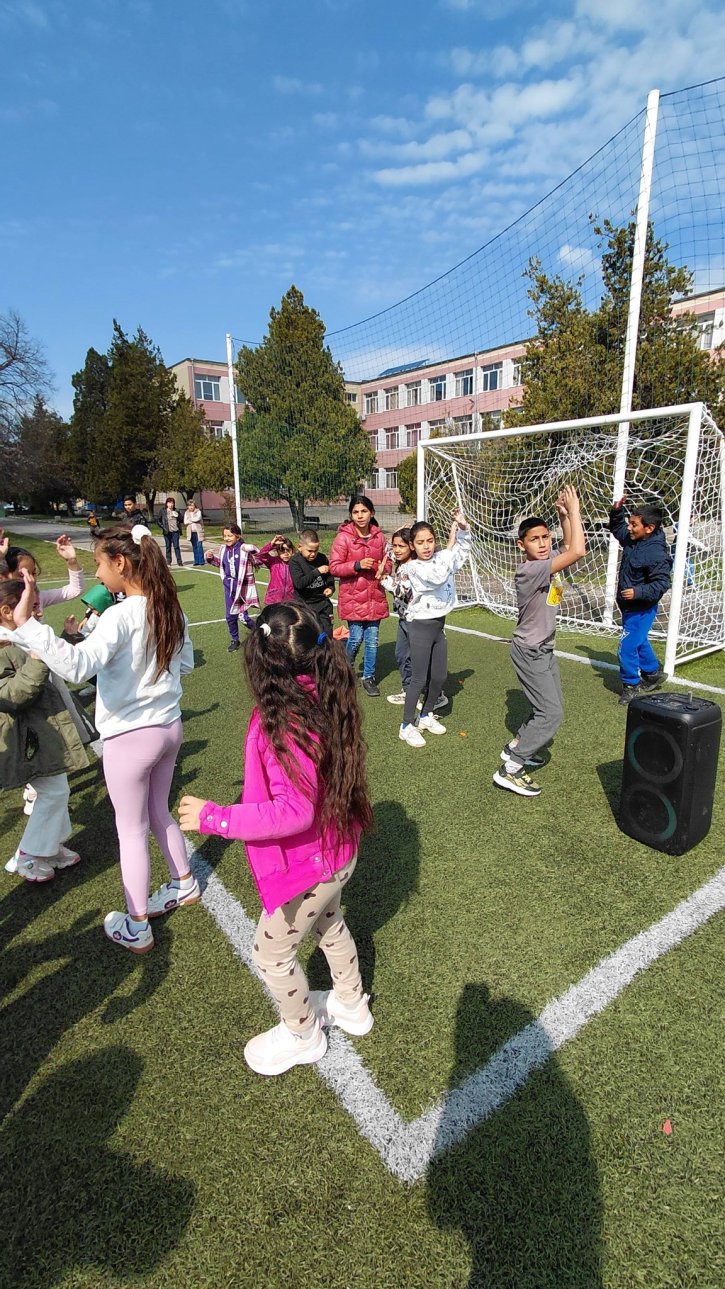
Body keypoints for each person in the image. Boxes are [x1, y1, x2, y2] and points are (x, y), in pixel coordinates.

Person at [178, 601, 374, 1076]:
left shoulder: (285, 722)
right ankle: (350, 1003)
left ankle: (302, 1032)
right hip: (337, 850)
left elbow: (294, 809)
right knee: (330, 924)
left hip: (312, 863)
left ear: (261, 662)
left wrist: (216, 818)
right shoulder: (325, 692)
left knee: (270, 953)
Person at [8, 524, 196, 953]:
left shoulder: (121, 614)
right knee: (159, 812)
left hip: (130, 738)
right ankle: (184, 883)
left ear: (120, 563)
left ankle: (137, 924)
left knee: (131, 830)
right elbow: (184, 666)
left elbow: (76, 668)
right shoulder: (170, 609)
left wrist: (28, 626)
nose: (96, 574)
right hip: (169, 726)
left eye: (97, 563)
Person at [493, 485, 585, 797]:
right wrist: (574, 510)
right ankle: (511, 768)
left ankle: (516, 745)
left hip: (544, 647)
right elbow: (578, 551)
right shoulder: (530, 570)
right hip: (529, 651)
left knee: (549, 706)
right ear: (522, 545)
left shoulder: (547, 559)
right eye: (535, 539)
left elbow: (570, 544)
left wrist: (562, 516)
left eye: (546, 537)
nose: (543, 543)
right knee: (551, 714)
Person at [0, 580, 88, 883]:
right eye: (32, 605)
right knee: (54, 790)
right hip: (27, 735)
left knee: (58, 786)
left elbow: (55, 665)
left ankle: (50, 847)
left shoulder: (19, 636)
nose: (39, 611)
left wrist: (67, 638)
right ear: (7, 611)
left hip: (44, 727)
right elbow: (11, 694)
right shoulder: (3, 645)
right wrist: (37, 661)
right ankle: (30, 853)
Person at [398, 510, 471, 748]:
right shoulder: (414, 568)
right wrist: (448, 553)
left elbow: (460, 555)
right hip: (420, 627)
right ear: (412, 546)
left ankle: (426, 714)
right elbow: (439, 576)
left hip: (439, 626)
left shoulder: (442, 557)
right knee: (418, 679)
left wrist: (463, 529)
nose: (426, 546)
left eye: (430, 541)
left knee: (439, 677)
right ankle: (407, 725)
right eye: (420, 542)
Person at [609, 496, 672, 704]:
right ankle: (653, 672)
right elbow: (617, 529)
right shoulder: (633, 539)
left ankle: (631, 684)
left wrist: (638, 592)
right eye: (629, 522)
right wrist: (617, 511)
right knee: (638, 639)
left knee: (626, 646)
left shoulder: (656, 553)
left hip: (642, 608)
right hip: (629, 606)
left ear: (649, 528)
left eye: (634, 524)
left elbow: (662, 583)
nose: (629, 528)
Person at [329, 496, 389, 696]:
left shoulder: (379, 537)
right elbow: (334, 567)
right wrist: (357, 565)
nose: (360, 516)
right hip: (353, 597)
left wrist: (383, 568)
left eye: (364, 511)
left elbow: (387, 563)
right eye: (356, 512)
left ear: (371, 512)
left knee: (372, 640)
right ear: (351, 515)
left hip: (375, 596)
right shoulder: (343, 537)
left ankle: (368, 677)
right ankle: (343, 670)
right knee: (355, 638)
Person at [205, 524, 259, 650]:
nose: (227, 538)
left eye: (230, 535)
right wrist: (211, 558)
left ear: (238, 536)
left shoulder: (244, 549)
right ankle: (235, 640)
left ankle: (260, 632)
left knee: (243, 618)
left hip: (241, 587)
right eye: (225, 536)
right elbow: (221, 564)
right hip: (229, 587)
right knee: (230, 616)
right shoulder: (223, 549)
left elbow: (258, 559)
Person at [0, 530, 85, 608]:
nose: (31, 579)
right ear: (3, 576)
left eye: (33, 573)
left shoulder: (37, 597)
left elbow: (75, 590)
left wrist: (71, 561)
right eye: (22, 575)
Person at [289, 529, 335, 637]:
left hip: (323, 603)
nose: (313, 554)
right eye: (310, 551)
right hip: (305, 606)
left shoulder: (322, 558)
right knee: (309, 637)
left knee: (327, 636)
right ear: (299, 547)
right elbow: (299, 583)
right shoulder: (295, 561)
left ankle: (326, 653)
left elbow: (329, 577)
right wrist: (317, 572)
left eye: (316, 550)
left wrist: (331, 588)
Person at [256, 535, 295, 606]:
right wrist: (272, 544)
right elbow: (261, 555)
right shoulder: (273, 562)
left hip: (290, 600)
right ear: (277, 551)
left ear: (292, 550)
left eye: (288, 550)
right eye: (282, 550)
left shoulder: (295, 563)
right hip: (273, 599)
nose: (286, 553)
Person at [156, 497, 183, 567]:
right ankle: (168, 561)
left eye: (172, 503)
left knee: (176, 546)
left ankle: (179, 561)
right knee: (168, 546)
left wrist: (178, 515)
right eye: (169, 503)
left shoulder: (176, 510)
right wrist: (163, 526)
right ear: (166, 504)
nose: (171, 505)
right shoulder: (163, 511)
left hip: (175, 531)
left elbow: (181, 520)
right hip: (167, 531)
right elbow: (158, 520)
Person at [183, 500, 206, 567]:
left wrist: (190, 520)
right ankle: (196, 561)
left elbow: (197, 519)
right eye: (189, 506)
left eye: (192, 505)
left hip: (198, 532)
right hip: (191, 532)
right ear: (187, 506)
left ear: (194, 506)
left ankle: (201, 561)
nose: (191, 507)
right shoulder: (186, 513)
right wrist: (191, 521)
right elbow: (185, 522)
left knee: (199, 546)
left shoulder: (198, 511)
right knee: (194, 547)